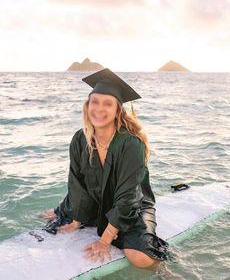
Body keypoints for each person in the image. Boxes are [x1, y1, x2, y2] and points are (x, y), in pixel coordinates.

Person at [40, 68, 169, 269]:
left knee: (141, 258)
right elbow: (76, 182)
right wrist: (75, 220)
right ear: (87, 105)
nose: (99, 109)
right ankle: (69, 212)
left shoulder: (130, 144)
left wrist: (105, 239)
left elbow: (129, 198)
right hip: (96, 199)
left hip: (132, 205)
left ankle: (165, 272)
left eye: (107, 103)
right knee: (51, 217)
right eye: (95, 102)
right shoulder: (80, 139)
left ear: (118, 110)